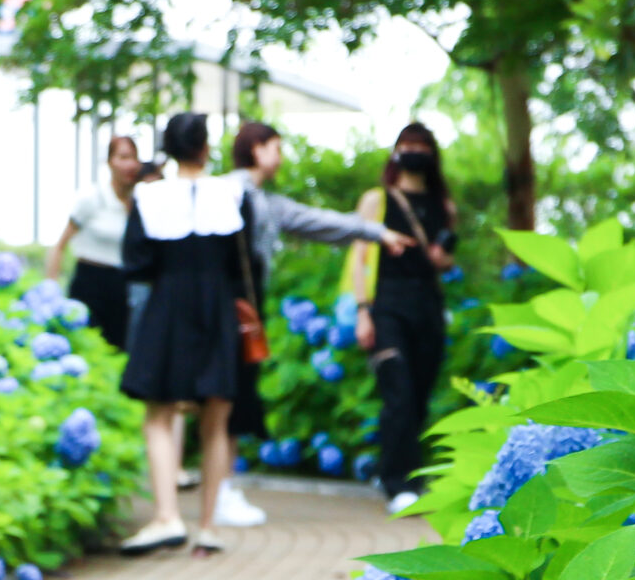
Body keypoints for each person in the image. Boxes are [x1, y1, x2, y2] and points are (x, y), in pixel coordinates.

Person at [222, 120, 406, 528]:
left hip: (242, 314)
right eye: (276, 148)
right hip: (218, 313)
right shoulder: (224, 193)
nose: (280, 157)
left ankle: (220, 489)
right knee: (218, 402)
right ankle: (214, 491)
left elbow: (319, 222)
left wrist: (375, 232)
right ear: (256, 149)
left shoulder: (266, 203)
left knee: (230, 401)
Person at [117, 111, 256, 557]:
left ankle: (167, 516)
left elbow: (135, 263)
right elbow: (247, 261)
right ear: (205, 147)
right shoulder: (232, 193)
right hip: (218, 308)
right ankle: (209, 527)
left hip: (168, 307)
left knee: (158, 415)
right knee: (216, 421)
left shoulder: (149, 196)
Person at [344, 123, 458, 511]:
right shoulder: (377, 201)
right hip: (387, 305)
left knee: (419, 398)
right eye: (407, 145)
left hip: (427, 306)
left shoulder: (444, 206)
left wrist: (442, 259)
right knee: (399, 392)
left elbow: (446, 263)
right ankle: (400, 485)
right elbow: (359, 258)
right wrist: (363, 311)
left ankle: (392, 470)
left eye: (421, 146)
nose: (413, 152)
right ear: (396, 151)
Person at [46, 135, 143, 349]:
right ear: (110, 162)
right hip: (89, 284)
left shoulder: (139, 202)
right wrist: (51, 289)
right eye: (123, 157)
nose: (130, 164)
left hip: (122, 289)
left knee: (118, 351)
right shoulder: (92, 198)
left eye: (133, 158)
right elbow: (60, 246)